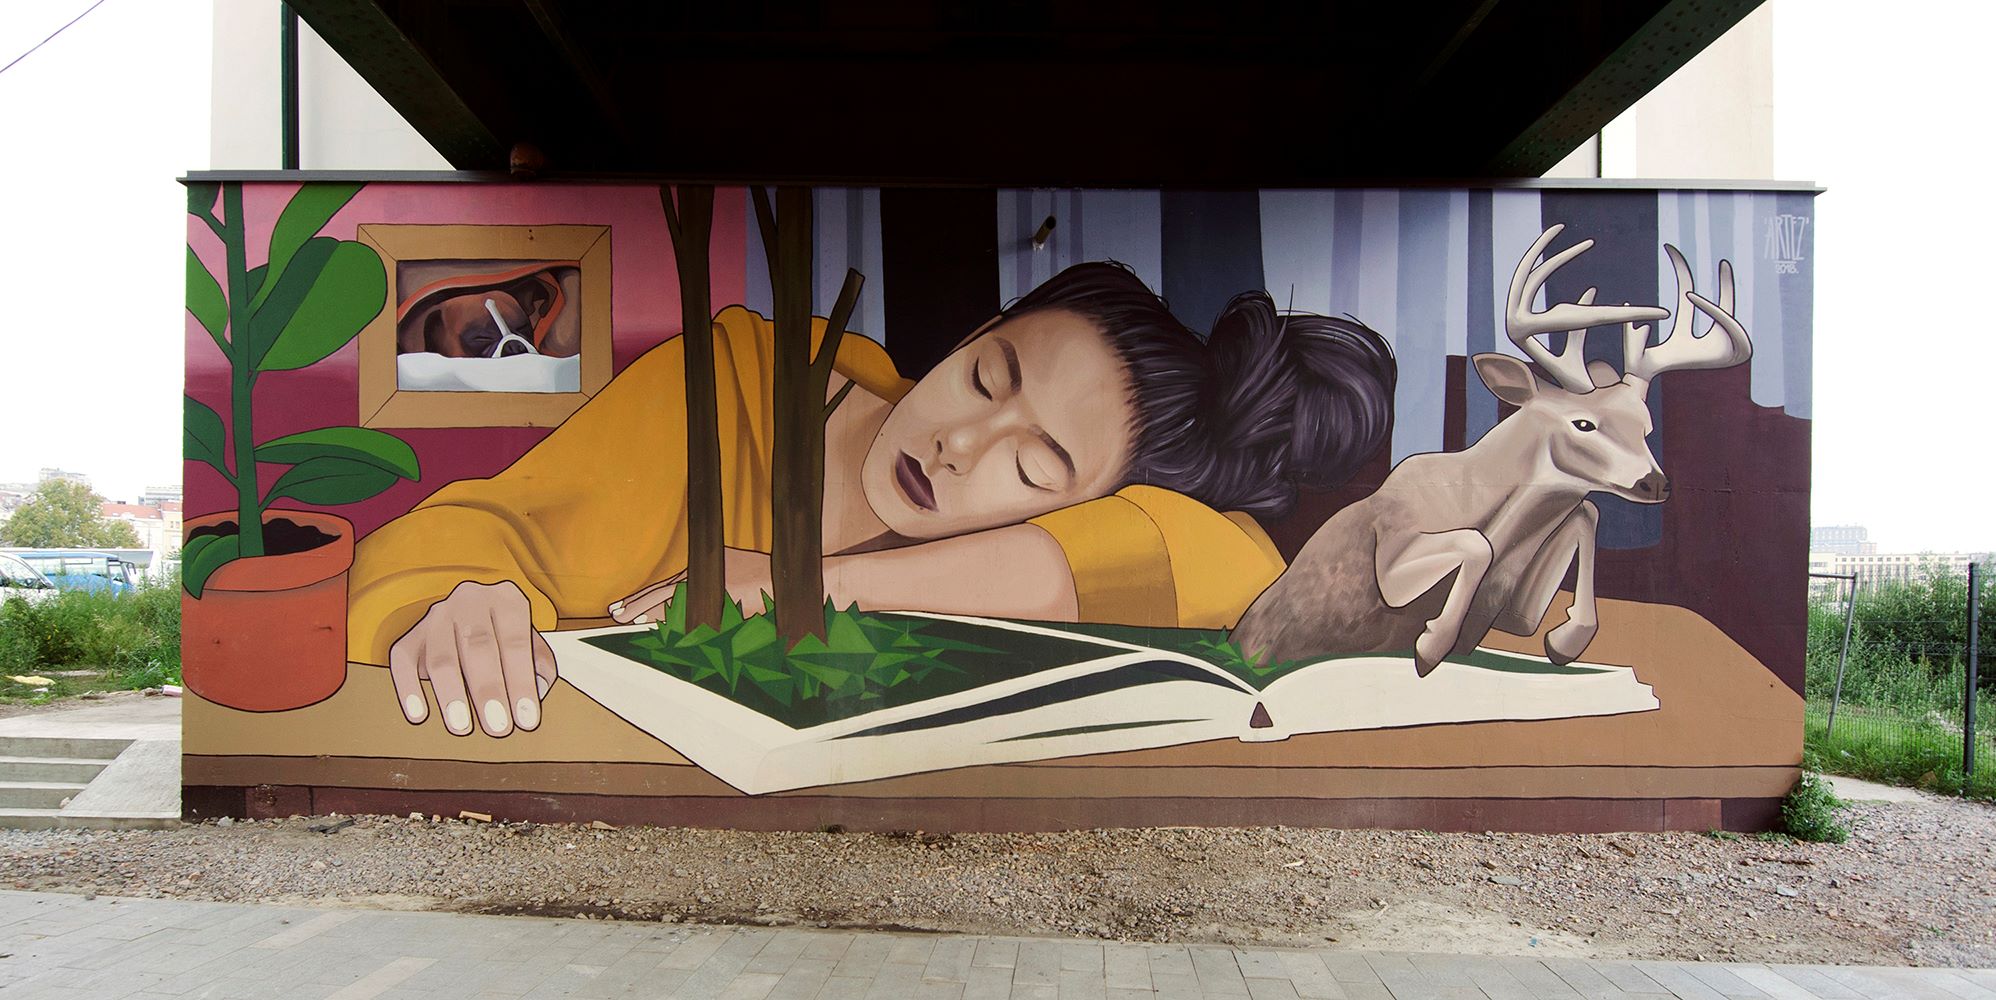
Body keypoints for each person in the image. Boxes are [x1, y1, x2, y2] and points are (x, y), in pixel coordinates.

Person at [348, 261, 1396, 738]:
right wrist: (458, 595)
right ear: (973, 331)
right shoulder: (743, 384)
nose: (958, 444)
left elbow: (1224, 561)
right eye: (985, 376)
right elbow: (479, 530)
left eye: (1033, 470)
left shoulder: (1048, 549)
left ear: (1072, 510)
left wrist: (819, 586)